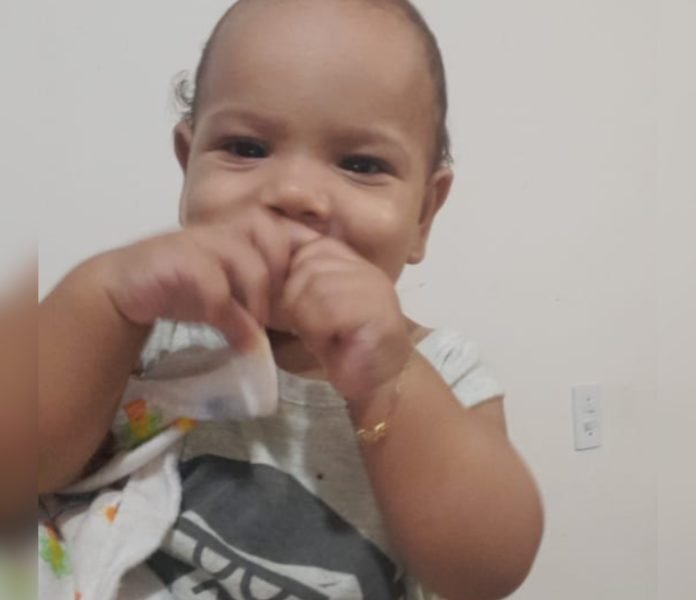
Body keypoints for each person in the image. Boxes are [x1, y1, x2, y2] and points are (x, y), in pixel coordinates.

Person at [38, 1, 543, 598]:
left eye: (360, 164)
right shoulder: (149, 332)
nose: (295, 193)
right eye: (247, 148)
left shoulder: (443, 373)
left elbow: (486, 571)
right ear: (187, 163)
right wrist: (105, 295)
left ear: (423, 216)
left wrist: (388, 381)